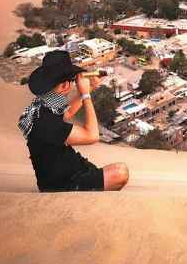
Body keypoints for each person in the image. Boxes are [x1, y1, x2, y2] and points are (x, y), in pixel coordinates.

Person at [18, 49, 129, 192]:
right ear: (65, 86)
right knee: (121, 173)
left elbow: (68, 112)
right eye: (71, 81)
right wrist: (85, 95)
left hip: (66, 173)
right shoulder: (46, 123)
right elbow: (92, 136)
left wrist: (92, 87)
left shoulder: (41, 105)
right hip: (63, 184)